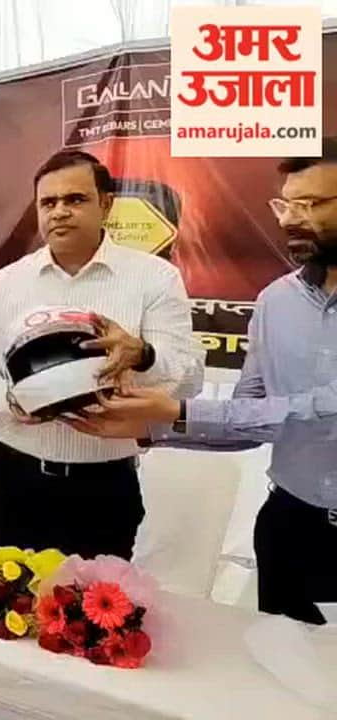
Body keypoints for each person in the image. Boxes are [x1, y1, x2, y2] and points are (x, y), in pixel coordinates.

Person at [67, 140, 337, 624]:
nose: (291, 220)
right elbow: (252, 419)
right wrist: (146, 427)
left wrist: (178, 411)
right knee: (281, 662)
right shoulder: (276, 301)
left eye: (311, 204)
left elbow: (325, 406)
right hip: (289, 528)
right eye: (285, 205)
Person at [0, 150, 205, 560]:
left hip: (103, 491)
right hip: (12, 479)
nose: (59, 212)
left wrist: (143, 355)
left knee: (94, 602)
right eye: (48, 202)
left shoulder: (154, 279)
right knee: (5, 600)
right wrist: (9, 401)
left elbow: (189, 378)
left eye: (75, 199)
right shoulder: (5, 282)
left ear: (106, 205)